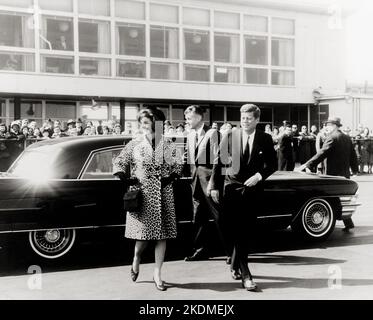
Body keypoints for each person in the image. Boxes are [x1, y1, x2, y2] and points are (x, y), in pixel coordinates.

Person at [113, 107, 183, 291]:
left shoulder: (167, 144)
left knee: (162, 236)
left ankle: (157, 273)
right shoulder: (135, 143)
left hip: (163, 193)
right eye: (141, 122)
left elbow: (178, 165)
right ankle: (136, 258)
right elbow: (120, 161)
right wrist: (122, 176)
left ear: (156, 123)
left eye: (146, 122)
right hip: (142, 193)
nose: (143, 126)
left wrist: (172, 177)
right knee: (143, 236)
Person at [209, 104, 277, 291]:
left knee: (245, 231)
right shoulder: (230, 136)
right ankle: (245, 273)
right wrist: (214, 185)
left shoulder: (265, 138)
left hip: (252, 190)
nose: (245, 121)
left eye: (249, 118)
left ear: (256, 120)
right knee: (232, 230)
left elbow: (272, 164)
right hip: (231, 188)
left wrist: (258, 176)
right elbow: (218, 161)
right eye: (243, 118)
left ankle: (238, 267)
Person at [296, 116, 359, 231]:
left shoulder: (332, 137)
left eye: (328, 125)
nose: (326, 127)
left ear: (334, 125)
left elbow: (322, 153)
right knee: (342, 198)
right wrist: (355, 170)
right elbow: (353, 156)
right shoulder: (346, 138)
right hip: (344, 174)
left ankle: (331, 223)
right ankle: (348, 222)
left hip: (332, 174)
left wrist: (307, 165)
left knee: (332, 199)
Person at [183, 105, 227, 262]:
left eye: (189, 118)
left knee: (219, 217)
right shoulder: (189, 135)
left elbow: (219, 159)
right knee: (199, 217)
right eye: (186, 118)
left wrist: (213, 184)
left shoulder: (213, 133)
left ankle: (231, 253)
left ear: (199, 118)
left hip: (209, 183)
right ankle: (201, 250)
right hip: (195, 182)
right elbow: (189, 159)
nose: (186, 121)